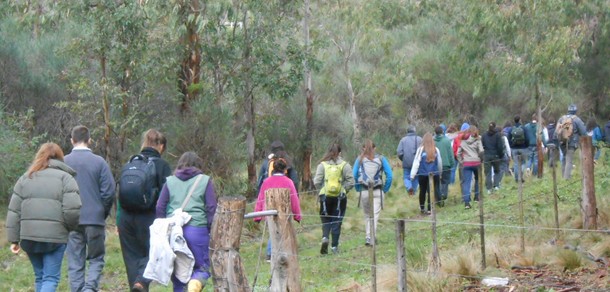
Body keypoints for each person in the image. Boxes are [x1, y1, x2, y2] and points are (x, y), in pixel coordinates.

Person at [6, 142, 82, 292]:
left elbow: (14, 211)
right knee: (50, 278)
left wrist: (14, 239)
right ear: (60, 157)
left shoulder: (25, 178)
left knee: (40, 276)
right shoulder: (66, 179)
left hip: (29, 238)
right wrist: (69, 228)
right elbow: (73, 210)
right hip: (55, 238)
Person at [118, 129, 172, 291]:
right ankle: (141, 282)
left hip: (126, 218)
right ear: (161, 146)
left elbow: (120, 195)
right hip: (149, 218)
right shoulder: (162, 165)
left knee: (131, 258)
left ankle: (136, 285)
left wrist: (118, 220)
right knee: (152, 254)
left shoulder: (130, 163)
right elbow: (166, 195)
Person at [155, 152, 217, 291]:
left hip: (175, 232)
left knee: (179, 275)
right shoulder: (205, 180)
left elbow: (160, 207)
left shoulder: (169, 181)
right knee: (202, 268)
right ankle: (195, 283)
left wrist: (164, 228)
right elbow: (211, 207)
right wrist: (210, 228)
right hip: (197, 230)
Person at [64, 126, 116, 292]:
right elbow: (109, 192)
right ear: (89, 140)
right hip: (94, 218)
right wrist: (102, 212)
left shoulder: (63, 162)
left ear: (72, 140)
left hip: (71, 219)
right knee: (96, 259)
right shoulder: (99, 162)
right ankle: (90, 289)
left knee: (75, 261)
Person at [256, 140, 299, 260]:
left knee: (272, 227)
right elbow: (294, 181)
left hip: (269, 201)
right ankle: (277, 251)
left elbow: (260, 183)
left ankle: (272, 252)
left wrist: (259, 209)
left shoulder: (266, 163)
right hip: (285, 201)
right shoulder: (288, 161)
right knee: (285, 225)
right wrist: (296, 207)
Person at [313, 143, 354, 255]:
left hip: (325, 197)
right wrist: (344, 190)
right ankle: (334, 247)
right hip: (340, 198)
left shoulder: (322, 165)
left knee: (326, 220)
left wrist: (322, 190)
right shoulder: (345, 165)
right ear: (340, 153)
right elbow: (351, 182)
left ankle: (325, 237)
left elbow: (316, 181)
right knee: (337, 220)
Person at [354, 139, 393, 246]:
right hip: (378, 190)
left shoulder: (360, 159)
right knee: (374, 215)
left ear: (363, 148)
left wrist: (358, 188)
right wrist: (385, 189)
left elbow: (354, 175)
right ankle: (372, 237)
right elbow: (390, 175)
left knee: (367, 215)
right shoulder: (381, 158)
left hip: (364, 190)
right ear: (374, 148)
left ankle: (368, 237)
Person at [411, 133, 443, 214]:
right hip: (434, 174)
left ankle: (422, 208)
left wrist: (412, 174)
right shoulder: (436, 149)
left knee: (422, 191)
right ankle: (430, 209)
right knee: (431, 191)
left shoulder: (420, 150)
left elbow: (416, 162)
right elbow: (439, 163)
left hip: (422, 174)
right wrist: (440, 172)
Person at [555, 104, 587, 179]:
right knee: (569, 160)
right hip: (571, 143)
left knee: (564, 159)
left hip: (562, 142)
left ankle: (563, 176)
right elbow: (584, 132)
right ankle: (566, 178)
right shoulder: (577, 119)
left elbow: (556, 131)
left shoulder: (561, 118)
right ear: (575, 111)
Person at [457, 126, 484, 209]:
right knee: (477, 179)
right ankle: (477, 197)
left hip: (467, 163)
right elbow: (481, 151)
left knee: (466, 183)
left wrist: (462, 161)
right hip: (476, 162)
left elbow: (458, 153)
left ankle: (467, 202)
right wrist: (481, 159)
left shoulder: (463, 142)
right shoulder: (478, 140)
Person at [396, 125, 422, 195]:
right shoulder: (419, 139)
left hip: (406, 162)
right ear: (414, 131)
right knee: (416, 177)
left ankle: (409, 187)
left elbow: (399, 152)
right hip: (417, 163)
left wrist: (403, 159)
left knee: (406, 177)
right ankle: (413, 192)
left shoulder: (403, 140)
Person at [481, 122, 504, 194]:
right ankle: (496, 186)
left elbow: (482, 145)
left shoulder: (484, 135)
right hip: (496, 155)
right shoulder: (498, 135)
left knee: (488, 173)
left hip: (487, 155)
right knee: (497, 171)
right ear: (495, 127)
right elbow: (500, 147)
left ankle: (488, 188)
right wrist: (500, 155)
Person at [433, 126, 454, 204]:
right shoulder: (447, 141)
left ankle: (438, 199)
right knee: (445, 182)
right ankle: (443, 195)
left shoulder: (432, 141)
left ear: (435, 133)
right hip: (446, 164)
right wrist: (452, 163)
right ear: (442, 132)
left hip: (435, 165)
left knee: (436, 183)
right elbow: (450, 153)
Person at [508, 116, 529, 182]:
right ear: (520, 120)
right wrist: (526, 146)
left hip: (514, 148)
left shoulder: (511, 129)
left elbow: (509, 138)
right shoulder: (524, 128)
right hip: (523, 148)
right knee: (523, 163)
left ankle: (517, 178)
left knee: (516, 163)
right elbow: (527, 138)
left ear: (514, 121)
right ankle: (520, 176)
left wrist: (511, 146)